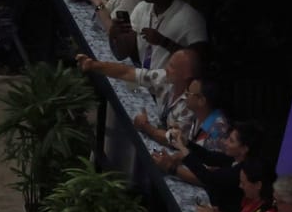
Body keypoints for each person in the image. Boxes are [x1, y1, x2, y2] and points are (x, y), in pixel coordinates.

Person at [77, 42, 207, 140]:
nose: (166, 68)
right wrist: (94, 65)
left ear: (186, 75)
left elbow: (174, 140)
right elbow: (127, 72)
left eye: (172, 67)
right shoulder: (165, 78)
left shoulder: (192, 103)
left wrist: (146, 127)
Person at [159, 118, 266, 209]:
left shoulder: (241, 172)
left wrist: (182, 149)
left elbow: (209, 178)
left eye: (231, 141)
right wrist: (186, 142)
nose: (226, 142)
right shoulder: (234, 158)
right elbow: (208, 156)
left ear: (244, 149)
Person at [128, 0, 207, 70]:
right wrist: (115, 35)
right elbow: (122, 53)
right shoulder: (141, 7)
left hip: (171, 84)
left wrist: (163, 42)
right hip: (144, 79)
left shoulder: (192, 18)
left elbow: (200, 60)